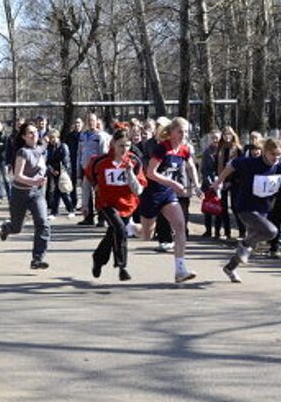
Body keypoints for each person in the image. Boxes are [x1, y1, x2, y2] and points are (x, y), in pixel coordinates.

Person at [212, 138, 281, 283]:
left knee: (253, 243)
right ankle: (244, 244)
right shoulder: (251, 163)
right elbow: (231, 165)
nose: (276, 158)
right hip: (245, 207)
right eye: (273, 155)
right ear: (264, 152)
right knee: (271, 232)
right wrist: (218, 181)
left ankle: (230, 268)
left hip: (263, 210)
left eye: (278, 155)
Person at [139, 117, 203, 283]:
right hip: (152, 193)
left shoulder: (183, 149)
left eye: (186, 132)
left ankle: (180, 269)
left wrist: (196, 185)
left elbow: (190, 166)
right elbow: (151, 173)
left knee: (180, 226)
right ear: (172, 131)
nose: (184, 135)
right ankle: (131, 228)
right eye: (180, 131)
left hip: (168, 194)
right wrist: (173, 183)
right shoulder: (162, 149)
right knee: (147, 235)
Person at [86, 129, 147, 281]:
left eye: (127, 145)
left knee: (112, 233)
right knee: (120, 229)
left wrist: (130, 174)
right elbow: (88, 181)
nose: (124, 149)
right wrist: (85, 204)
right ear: (113, 144)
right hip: (106, 203)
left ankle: (98, 259)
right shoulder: (99, 161)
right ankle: (122, 267)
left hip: (127, 205)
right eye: (121, 146)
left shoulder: (135, 161)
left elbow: (138, 190)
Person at [0, 122, 51, 270]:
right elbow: (17, 176)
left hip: (36, 193)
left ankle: (37, 259)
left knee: (43, 223)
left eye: (36, 132)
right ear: (24, 136)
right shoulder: (23, 152)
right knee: (17, 228)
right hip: (19, 193)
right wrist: (34, 180)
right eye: (30, 133)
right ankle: (7, 228)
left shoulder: (41, 149)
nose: (34, 135)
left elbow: (47, 144)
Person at [76, 112, 110, 226]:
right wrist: (79, 170)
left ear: (96, 121)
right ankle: (88, 217)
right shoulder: (83, 136)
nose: (91, 123)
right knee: (86, 194)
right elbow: (79, 153)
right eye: (89, 120)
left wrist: (101, 169)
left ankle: (102, 218)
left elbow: (104, 153)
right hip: (86, 168)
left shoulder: (101, 136)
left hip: (97, 169)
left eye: (93, 120)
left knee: (99, 194)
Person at [216, 126, 243, 240]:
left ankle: (242, 232)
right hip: (222, 181)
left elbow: (241, 168)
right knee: (222, 208)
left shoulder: (238, 149)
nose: (227, 137)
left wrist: (231, 181)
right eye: (225, 134)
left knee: (235, 207)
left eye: (229, 134)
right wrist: (219, 180)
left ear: (233, 136)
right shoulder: (220, 148)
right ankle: (227, 232)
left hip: (235, 182)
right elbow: (217, 165)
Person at [46, 129, 75, 218]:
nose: (52, 140)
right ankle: (56, 211)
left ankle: (69, 210)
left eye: (54, 137)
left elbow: (65, 160)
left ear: (58, 137)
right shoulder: (49, 148)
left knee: (63, 191)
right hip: (54, 171)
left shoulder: (63, 146)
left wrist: (61, 170)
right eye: (50, 138)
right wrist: (51, 169)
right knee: (57, 192)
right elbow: (48, 160)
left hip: (63, 172)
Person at [201, 130, 222, 238]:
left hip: (220, 183)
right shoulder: (206, 152)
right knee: (208, 208)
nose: (215, 140)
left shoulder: (223, 151)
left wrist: (220, 181)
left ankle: (218, 231)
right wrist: (209, 183)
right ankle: (208, 230)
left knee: (219, 207)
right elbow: (204, 169)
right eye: (213, 138)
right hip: (208, 184)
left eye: (217, 138)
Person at [64, 117, 84, 209]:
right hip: (72, 162)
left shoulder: (84, 135)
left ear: (82, 124)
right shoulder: (69, 136)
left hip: (82, 162)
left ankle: (84, 204)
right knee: (72, 184)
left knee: (84, 184)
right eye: (75, 123)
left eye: (79, 123)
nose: (77, 125)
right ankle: (73, 203)